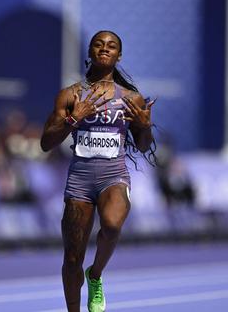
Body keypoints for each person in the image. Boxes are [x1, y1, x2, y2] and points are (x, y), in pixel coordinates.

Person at [40, 30, 156, 312]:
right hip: (79, 182)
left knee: (113, 225)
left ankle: (96, 275)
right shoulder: (70, 95)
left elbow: (142, 147)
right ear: (90, 52)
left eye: (111, 46)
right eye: (98, 44)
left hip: (112, 176)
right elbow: (46, 143)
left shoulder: (131, 98)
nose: (105, 49)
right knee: (71, 260)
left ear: (119, 55)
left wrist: (144, 126)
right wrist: (72, 119)